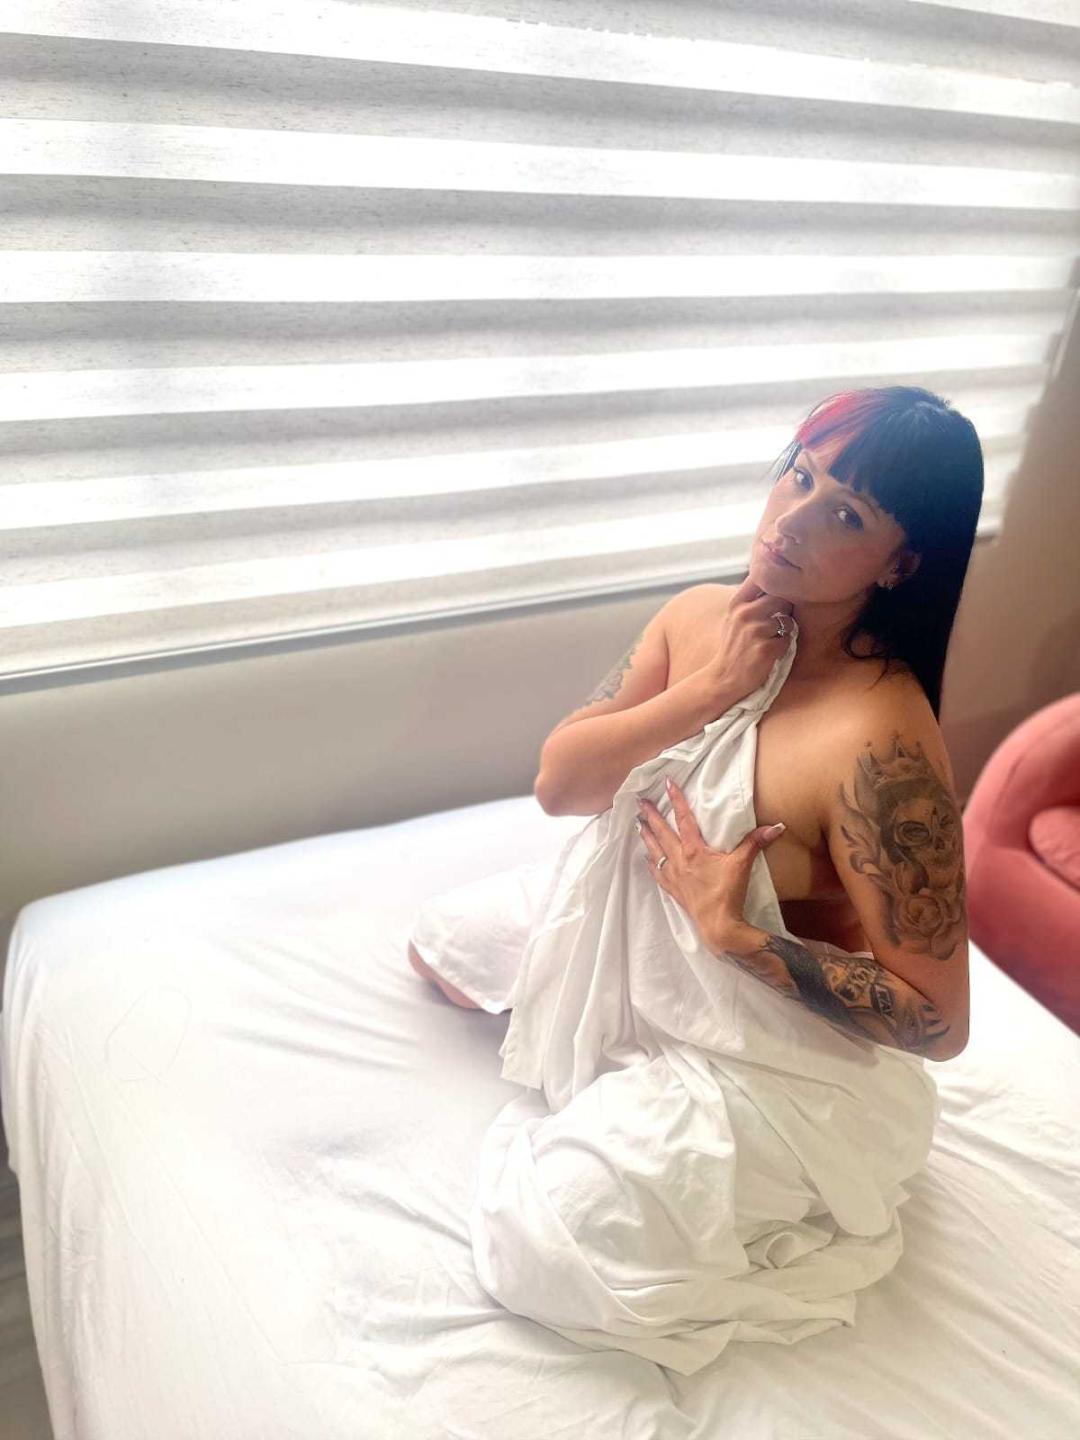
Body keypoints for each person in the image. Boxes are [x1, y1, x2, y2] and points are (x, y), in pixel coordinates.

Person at [411, 383, 983, 1015]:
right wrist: (716, 685)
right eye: (800, 477)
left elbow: (940, 1016)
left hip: (746, 1004)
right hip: (633, 922)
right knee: (440, 950)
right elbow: (560, 788)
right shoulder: (698, 614)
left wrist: (734, 933)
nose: (790, 523)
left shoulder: (880, 745)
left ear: (900, 566)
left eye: (846, 516)